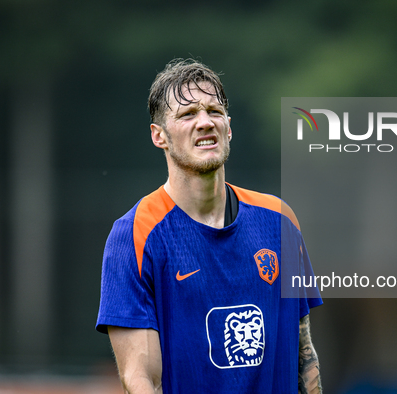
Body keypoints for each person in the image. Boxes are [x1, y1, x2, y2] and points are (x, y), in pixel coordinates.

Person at [96, 58, 323, 393]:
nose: (204, 122)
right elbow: (141, 379)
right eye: (188, 115)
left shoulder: (280, 221)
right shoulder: (135, 234)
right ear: (159, 136)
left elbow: (304, 355)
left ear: (228, 128)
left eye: (214, 111)